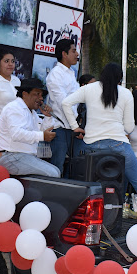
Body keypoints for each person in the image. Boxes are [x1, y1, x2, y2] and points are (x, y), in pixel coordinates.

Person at [63, 63, 137, 219]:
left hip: (92, 146)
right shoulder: (126, 94)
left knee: (91, 187)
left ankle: (86, 221)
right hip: (119, 145)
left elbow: (65, 103)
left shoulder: (89, 89)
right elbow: (129, 128)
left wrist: (75, 127)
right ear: (120, 79)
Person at [0, 77, 60, 178]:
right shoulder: (14, 108)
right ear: (25, 94)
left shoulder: (32, 113)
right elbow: (17, 134)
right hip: (12, 156)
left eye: (41, 95)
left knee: (56, 171)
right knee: (53, 174)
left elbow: (41, 131)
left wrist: (48, 117)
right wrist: (42, 136)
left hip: (24, 156)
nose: (41, 98)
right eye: (37, 94)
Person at [44, 39, 83, 176]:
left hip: (72, 127)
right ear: (64, 54)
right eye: (73, 51)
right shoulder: (55, 74)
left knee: (77, 163)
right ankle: (55, 194)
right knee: (57, 166)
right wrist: (75, 124)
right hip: (60, 127)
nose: (77, 54)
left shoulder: (71, 73)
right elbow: (64, 102)